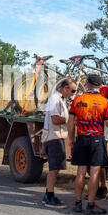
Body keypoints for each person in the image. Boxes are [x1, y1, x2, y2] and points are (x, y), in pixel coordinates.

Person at [67, 74, 108, 214]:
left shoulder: (77, 100)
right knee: (94, 173)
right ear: (100, 86)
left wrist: (71, 139)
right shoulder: (104, 102)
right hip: (97, 140)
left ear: (87, 84)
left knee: (80, 172)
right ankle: (91, 205)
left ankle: (77, 202)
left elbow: (70, 122)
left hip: (81, 138)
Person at [41, 78, 77, 208]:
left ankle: (48, 195)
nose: (73, 93)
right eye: (72, 90)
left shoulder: (60, 99)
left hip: (57, 137)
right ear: (64, 88)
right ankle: (49, 197)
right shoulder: (54, 99)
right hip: (54, 137)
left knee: (55, 169)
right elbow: (55, 119)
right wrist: (70, 120)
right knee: (54, 169)